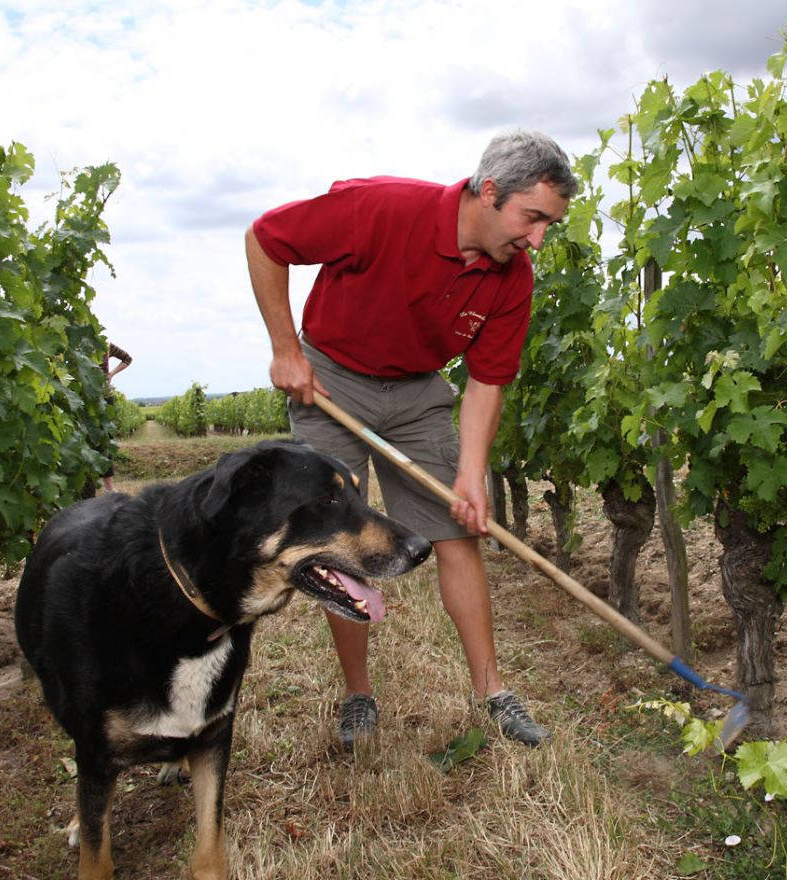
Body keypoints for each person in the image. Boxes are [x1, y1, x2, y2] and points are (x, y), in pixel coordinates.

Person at [245, 130, 578, 749]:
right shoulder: (380, 209)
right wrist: (286, 350)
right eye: (532, 218)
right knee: (338, 544)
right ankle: (358, 696)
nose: (537, 239)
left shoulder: (514, 277)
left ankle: (492, 694)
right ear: (488, 191)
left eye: (548, 225)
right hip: (331, 382)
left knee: (459, 534)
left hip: (420, 391)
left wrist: (471, 476)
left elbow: (485, 381)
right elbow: (265, 239)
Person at [100, 340, 132, 493]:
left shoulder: (104, 344)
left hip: (104, 396)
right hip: (83, 396)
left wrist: (111, 374)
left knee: (105, 440)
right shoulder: (75, 342)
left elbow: (127, 358)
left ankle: (108, 486)